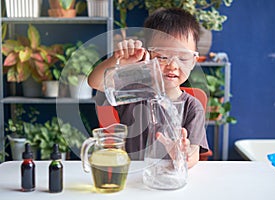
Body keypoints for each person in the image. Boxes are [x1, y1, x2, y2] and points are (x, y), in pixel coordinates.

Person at [88, 8, 209, 168]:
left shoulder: (192, 107)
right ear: (147, 55)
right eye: (162, 57)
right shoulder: (134, 91)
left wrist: (183, 154)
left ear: (193, 61)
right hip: (132, 176)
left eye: (182, 58)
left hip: (169, 178)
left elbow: (194, 155)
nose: (172, 65)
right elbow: (94, 81)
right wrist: (118, 61)